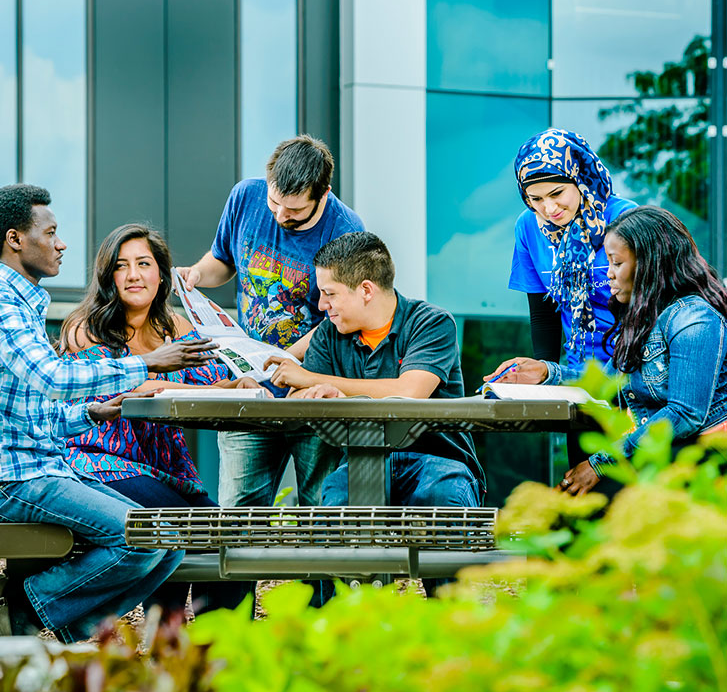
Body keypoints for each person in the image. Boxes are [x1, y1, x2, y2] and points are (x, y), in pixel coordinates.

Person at [0, 184, 215, 640]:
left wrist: (92, 416)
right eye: (51, 232)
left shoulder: (23, 305)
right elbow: (53, 378)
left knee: (166, 540)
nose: (61, 244)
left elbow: (37, 413)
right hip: (3, 478)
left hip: (39, 468)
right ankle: (22, 612)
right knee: (139, 539)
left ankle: (36, 617)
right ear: (15, 240)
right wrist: (146, 362)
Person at [268, 232, 486, 596]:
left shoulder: (431, 323)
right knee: (336, 502)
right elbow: (307, 394)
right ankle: (344, 633)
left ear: (366, 290)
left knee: (444, 496)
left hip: (437, 459)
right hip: (360, 462)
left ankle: (453, 631)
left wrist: (320, 380)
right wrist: (318, 390)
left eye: (330, 293)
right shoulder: (329, 335)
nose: (322, 305)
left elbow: (409, 392)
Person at [59, 223, 251, 616]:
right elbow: (135, 389)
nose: (133, 274)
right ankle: (169, 650)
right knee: (172, 526)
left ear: (161, 273)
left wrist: (240, 378)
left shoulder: (174, 326)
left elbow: (219, 377)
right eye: (121, 265)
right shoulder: (85, 328)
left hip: (163, 467)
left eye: (143, 263)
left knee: (234, 536)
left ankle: (221, 654)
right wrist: (219, 391)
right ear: (107, 276)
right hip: (99, 462)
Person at [178, 134, 365, 514]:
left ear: (323, 193)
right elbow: (223, 260)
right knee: (237, 513)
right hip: (249, 386)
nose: (280, 217)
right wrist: (196, 274)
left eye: (295, 211)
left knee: (321, 511)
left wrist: (284, 359)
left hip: (313, 389)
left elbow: (339, 318)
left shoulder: (347, 231)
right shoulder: (245, 197)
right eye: (275, 203)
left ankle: (320, 578)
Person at [487, 205, 727, 498]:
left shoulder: (694, 318)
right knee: (574, 502)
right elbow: (608, 383)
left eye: (616, 263)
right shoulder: (646, 318)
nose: (608, 275)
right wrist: (546, 372)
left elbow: (684, 414)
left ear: (649, 262)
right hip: (660, 456)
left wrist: (599, 464)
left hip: (702, 464)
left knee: (585, 503)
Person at [501, 128, 636, 466]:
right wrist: (542, 381)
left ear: (579, 177)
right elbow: (543, 315)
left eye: (557, 193)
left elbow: (650, 309)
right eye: (535, 199)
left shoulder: (626, 219)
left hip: (634, 380)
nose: (549, 208)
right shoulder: (528, 228)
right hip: (579, 383)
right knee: (586, 495)